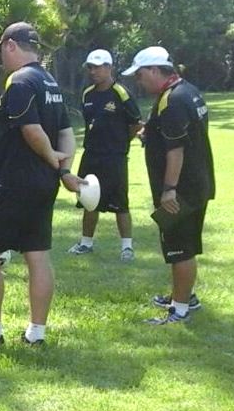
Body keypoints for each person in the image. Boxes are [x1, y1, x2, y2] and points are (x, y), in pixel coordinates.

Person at [0, 22, 82, 349]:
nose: (1, 57)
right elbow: (67, 133)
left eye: (1, 50)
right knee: (37, 255)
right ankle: (36, 335)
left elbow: (31, 131)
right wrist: (63, 169)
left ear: (11, 45)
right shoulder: (50, 82)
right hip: (44, 183)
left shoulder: (20, 81)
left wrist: (51, 156)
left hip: (16, 182)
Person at [124, 46, 214, 324]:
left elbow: (176, 150)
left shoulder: (172, 100)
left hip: (181, 190)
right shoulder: (187, 90)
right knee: (183, 245)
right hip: (197, 182)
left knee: (180, 249)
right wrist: (150, 133)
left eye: (140, 75)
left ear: (154, 70)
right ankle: (183, 296)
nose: (139, 81)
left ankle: (180, 310)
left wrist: (168, 190)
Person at [67, 49, 143, 261]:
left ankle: (127, 247)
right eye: (90, 67)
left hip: (114, 157)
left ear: (109, 67)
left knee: (120, 202)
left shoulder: (121, 93)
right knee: (89, 199)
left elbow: (136, 124)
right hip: (91, 155)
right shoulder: (87, 94)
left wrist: (121, 143)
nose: (93, 71)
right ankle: (86, 243)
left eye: (98, 67)